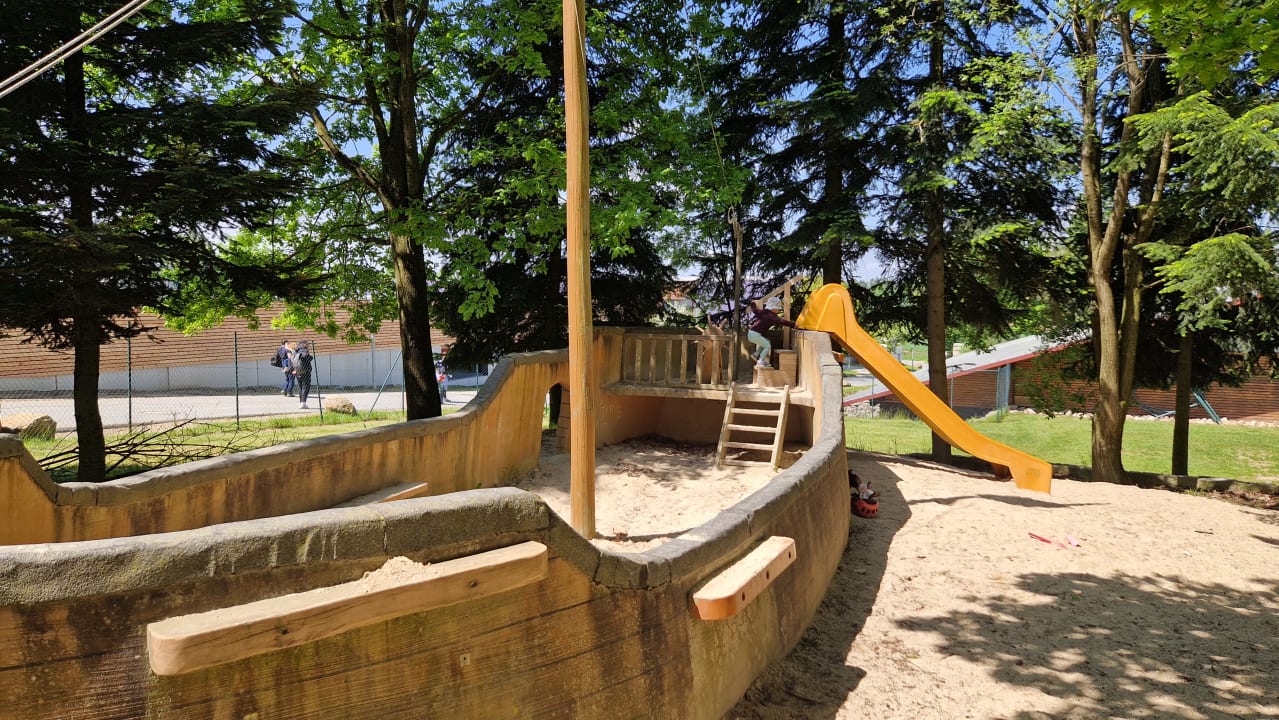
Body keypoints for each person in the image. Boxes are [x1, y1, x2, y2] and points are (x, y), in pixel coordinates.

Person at [745, 297, 797, 367]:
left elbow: (755, 310)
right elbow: (781, 321)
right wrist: (793, 325)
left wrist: (752, 304)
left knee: (766, 342)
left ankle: (756, 354)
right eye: (778, 309)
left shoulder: (763, 312)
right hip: (755, 335)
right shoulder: (771, 316)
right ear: (773, 308)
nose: (779, 310)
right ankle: (760, 361)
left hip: (751, 333)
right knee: (767, 346)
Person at [292, 341, 314, 409]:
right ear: (304, 344)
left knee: (301, 387)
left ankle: (301, 402)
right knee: (306, 386)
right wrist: (311, 357)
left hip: (297, 371)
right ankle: (303, 403)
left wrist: (293, 369)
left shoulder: (295, 351)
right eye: (308, 344)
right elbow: (306, 356)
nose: (308, 345)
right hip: (305, 371)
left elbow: (292, 360)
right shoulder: (304, 349)